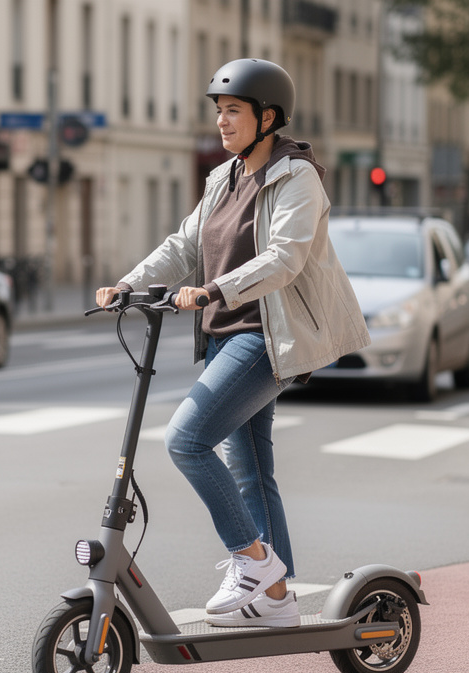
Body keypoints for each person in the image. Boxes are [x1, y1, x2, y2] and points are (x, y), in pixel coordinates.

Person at [96, 59, 371, 628]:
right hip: (224, 335)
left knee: (187, 440)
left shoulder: (297, 178)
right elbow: (184, 244)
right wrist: (128, 283)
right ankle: (277, 600)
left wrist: (214, 289)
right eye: (219, 111)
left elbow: (285, 257)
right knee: (249, 468)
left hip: (268, 337)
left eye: (234, 111)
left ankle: (252, 561)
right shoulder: (223, 178)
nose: (222, 121)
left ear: (267, 117)